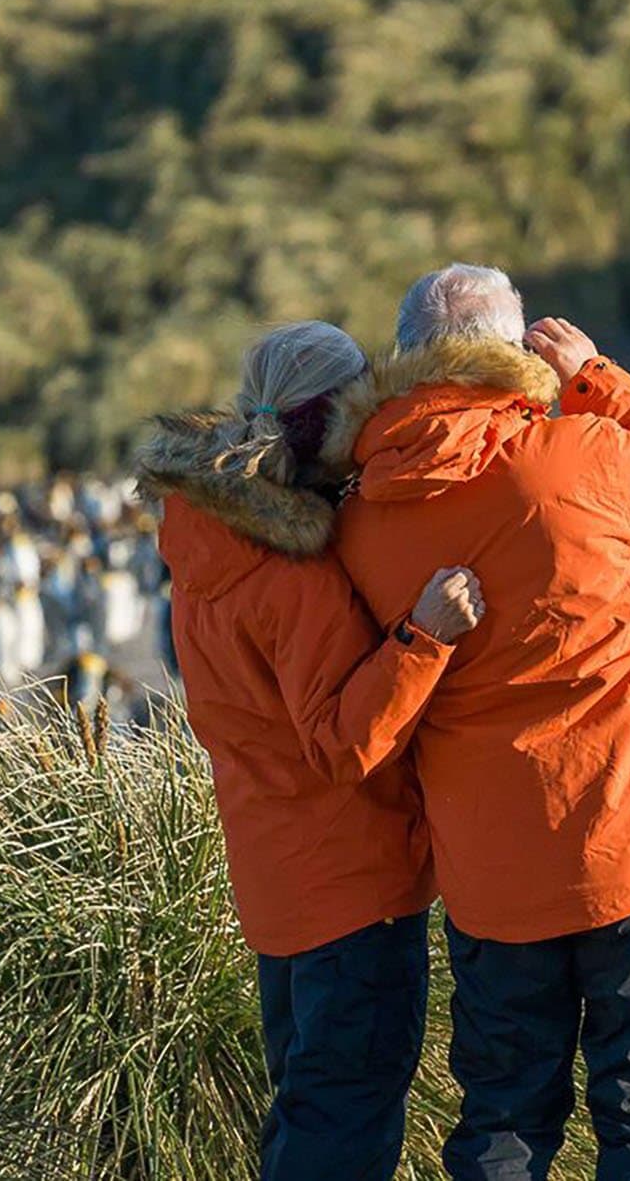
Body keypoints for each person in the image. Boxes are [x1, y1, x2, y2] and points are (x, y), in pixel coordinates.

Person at [331, 264, 630, 1181]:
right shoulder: (576, 454)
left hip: (491, 871)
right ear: (518, 354)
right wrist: (598, 377)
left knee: (504, 1122)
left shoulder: (361, 516)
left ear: (408, 359)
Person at [135, 320, 486, 1181]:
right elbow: (342, 742)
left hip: (276, 883)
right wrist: (423, 639)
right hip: (350, 887)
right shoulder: (290, 568)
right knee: (342, 1123)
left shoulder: (201, 542)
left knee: (306, 1106)